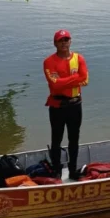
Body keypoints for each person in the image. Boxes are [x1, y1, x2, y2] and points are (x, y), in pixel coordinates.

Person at [43, 29, 89, 180]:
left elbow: (85, 78)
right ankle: (56, 169)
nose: (64, 43)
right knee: (56, 139)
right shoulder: (49, 62)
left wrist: (63, 82)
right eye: (60, 40)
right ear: (55, 43)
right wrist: (75, 78)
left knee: (74, 139)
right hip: (57, 106)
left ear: (70, 42)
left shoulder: (79, 58)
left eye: (66, 40)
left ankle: (73, 170)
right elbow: (54, 85)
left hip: (75, 105)